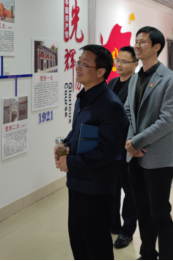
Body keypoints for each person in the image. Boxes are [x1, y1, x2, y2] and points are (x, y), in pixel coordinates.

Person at [55, 45, 129, 260]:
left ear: (100, 71)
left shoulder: (110, 104)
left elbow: (108, 150)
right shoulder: (83, 97)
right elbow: (78, 131)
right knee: (78, 239)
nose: (78, 67)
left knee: (96, 245)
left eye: (85, 64)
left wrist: (71, 163)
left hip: (96, 187)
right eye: (78, 62)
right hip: (78, 182)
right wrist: (65, 145)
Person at [124, 27, 173, 261]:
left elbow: (167, 120)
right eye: (136, 41)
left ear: (157, 47)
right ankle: (147, 253)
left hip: (157, 158)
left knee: (160, 214)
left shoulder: (170, 79)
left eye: (143, 42)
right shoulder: (135, 77)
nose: (137, 46)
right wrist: (131, 144)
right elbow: (128, 112)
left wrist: (137, 142)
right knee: (142, 211)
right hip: (134, 157)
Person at [107, 46, 139, 249]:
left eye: (124, 61)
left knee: (130, 191)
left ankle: (127, 231)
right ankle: (113, 224)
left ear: (136, 64)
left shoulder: (137, 84)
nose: (119, 64)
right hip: (110, 146)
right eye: (118, 60)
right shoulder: (112, 83)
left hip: (127, 146)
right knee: (111, 187)